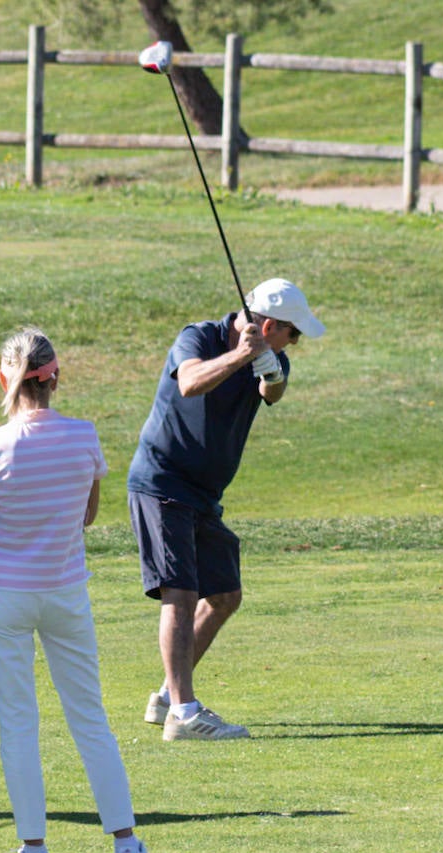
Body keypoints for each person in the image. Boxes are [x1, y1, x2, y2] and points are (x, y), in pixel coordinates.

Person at [0, 328, 156, 853]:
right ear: (55, 379)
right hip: (65, 591)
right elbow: (87, 515)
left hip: (5, 594)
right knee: (89, 717)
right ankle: (125, 846)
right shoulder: (84, 436)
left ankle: (33, 852)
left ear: (5, 378)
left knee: (18, 722)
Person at [126, 278, 326, 741]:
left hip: (203, 495)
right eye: (292, 334)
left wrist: (270, 370)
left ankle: (166, 698)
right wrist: (241, 356)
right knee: (179, 594)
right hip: (163, 482)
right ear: (271, 325)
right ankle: (184, 715)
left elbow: (271, 394)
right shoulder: (197, 337)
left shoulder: (274, 355)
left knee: (224, 595)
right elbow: (191, 382)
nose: (295, 343)